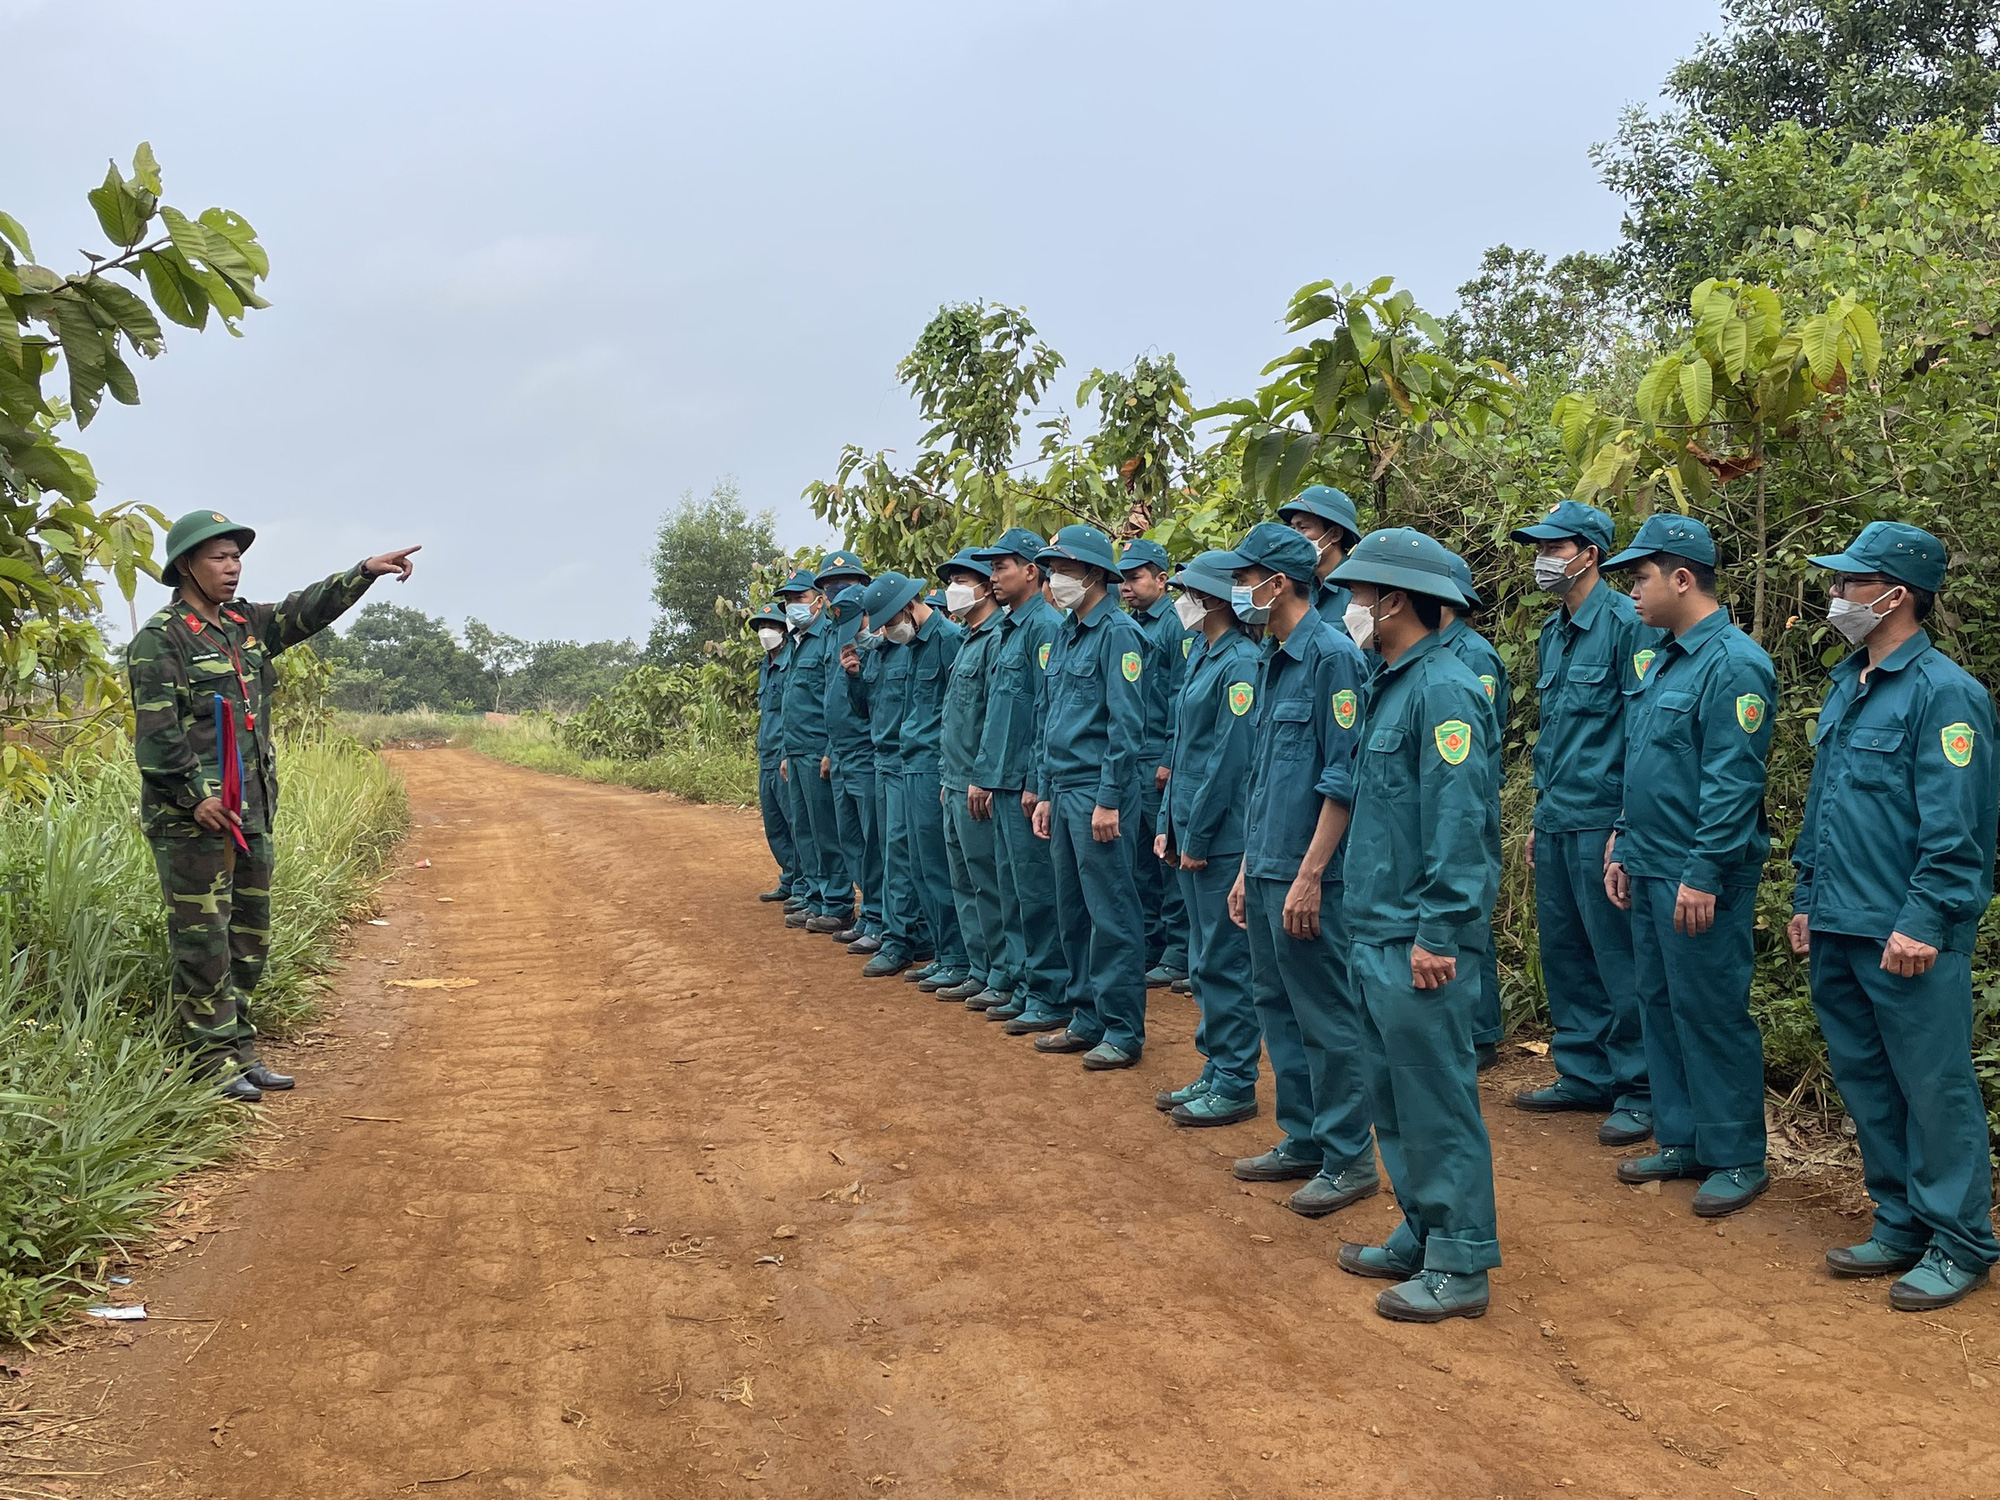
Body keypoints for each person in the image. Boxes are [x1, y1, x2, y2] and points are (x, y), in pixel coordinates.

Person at [129, 509, 419, 1101]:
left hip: (251, 811)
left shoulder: (244, 625)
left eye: (236, 556)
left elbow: (305, 610)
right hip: (193, 823)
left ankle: (241, 1051)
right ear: (186, 565)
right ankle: (209, 1063)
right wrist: (195, 797)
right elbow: (157, 736)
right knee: (202, 940)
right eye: (219, 557)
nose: (232, 568)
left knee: (249, 935)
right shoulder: (161, 640)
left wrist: (363, 572)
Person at [1788, 522, 1999, 1311]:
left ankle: (1961, 1239)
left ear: (1895, 595)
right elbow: (1826, 806)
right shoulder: (1851, 681)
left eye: (1848, 583)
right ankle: (1901, 1218)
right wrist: (1807, 900)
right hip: (1841, 921)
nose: (1835, 596)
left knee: (1933, 1085)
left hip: (1906, 931)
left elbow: (1959, 829)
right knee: (1868, 1079)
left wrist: (1924, 919)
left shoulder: (1946, 694)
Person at [1326, 527, 1501, 1323]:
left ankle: (1460, 1262)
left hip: (1416, 937)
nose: (1352, 608)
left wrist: (1440, 931)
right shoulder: (1388, 681)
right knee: (1391, 1096)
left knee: (1435, 1098)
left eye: (1360, 596)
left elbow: (1461, 826)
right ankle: (1422, 1230)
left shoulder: (1447, 690)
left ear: (1396, 601)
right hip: (1375, 926)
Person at [1601, 515, 1776, 1218]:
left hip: (1698, 874)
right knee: (1661, 1004)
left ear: (1681, 579)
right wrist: (1622, 840)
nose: (1634, 594)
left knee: (1710, 1012)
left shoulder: (1734, 663)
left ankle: (1736, 1154)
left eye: (1641, 579)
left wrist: (1703, 872)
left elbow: (1734, 783)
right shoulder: (1663, 656)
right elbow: (1645, 762)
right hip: (1649, 862)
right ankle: (1683, 1137)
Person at [1221, 522, 1378, 1216]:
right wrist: (1246, 869)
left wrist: (1311, 874)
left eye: (1245, 575)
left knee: (1326, 1015)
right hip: (1265, 868)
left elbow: (1342, 779)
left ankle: (1350, 1158)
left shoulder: (1332, 658)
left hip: (1308, 873)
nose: (1237, 591)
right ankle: (1304, 1137)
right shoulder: (1272, 656)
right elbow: (1265, 778)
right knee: (1276, 1006)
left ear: (1277, 583)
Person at [1508, 502, 1657, 1147]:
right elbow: (1555, 735)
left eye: (1553, 546)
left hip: (1605, 818)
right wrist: (1541, 817)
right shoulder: (1553, 632)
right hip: (1560, 813)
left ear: (1588, 554)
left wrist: (1626, 824)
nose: (1542, 558)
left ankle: (1638, 1088)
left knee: (1616, 956)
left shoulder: (1628, 624)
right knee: (1565, 951)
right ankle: (1583, 1071)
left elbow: (1644, 731)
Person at [1030, 524, 1151, 1070]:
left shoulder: (1118, 634)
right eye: (1052, 569)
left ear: (1096, 574)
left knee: (1112, 913)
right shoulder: (1065, 633)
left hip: (1099, 794)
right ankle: (1086, 1015)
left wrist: (1107, 799)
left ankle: (1123, 1028)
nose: (1056, 579)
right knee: (1072, 909)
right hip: (1065, 790)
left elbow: (1126, 728)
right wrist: (1048, 793)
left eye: (1065, 569)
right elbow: (1050, 716)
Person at [1152, 551, 1263, 1126]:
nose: (1182, 601)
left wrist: (1195, 833)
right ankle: (1216, 1065)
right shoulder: (1203, 653)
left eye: (1190, 591)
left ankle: (1236, 1079)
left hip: (1219, 838)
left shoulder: (1241, 662)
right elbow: (1181, 751)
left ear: (1216, 599)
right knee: (1203, 959)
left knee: (1223, 961)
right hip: (1190, 828)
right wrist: (1167, 826)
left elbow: (1229, 761)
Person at [967, 529, 1072, 1034]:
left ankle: (1049, 992)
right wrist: (985, 775)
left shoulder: (1045, 628)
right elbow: (998, 713)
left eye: (1002, 567)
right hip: (1002, 780)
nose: (993, 577)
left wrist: (1035, 779)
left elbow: (1045, 713)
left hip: (1025, 784)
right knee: (1010, 888)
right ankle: (1024, 983)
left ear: (1032, 571)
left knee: (1035, 892)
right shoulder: (1009, 629)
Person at [878, 575, 968, 994]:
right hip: (909, 761)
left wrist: (950, 771)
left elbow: (958, 712)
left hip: (935, 765)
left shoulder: (948, 639)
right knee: (917, 864)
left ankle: (958, 955)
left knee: (938, 866)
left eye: (890, 618)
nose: (885, 629)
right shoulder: (909, 645)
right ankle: (942, 952)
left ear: (911, 605)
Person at [1439, 551, 1510, 1072]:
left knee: (1469, 918)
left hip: (1469, 800)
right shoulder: (1429, 652)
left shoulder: (1474, 658)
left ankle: (1480, 1029)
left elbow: (1477, 748)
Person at [937, 547, 1010, 1008]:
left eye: (964, 580)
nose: (954, 590)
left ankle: (1002, 970)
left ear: (986, 586)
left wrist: (980, 777)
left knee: (988, 880)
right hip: (954, 776)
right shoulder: (968, 637)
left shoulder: (999, 638)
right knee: (963, 879)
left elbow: (994, 720)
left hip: (977, 782)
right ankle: (979, 967)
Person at [1118, 537, 1191, 989]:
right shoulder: (1132, 625)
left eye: (1135, 577)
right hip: (1133, 756)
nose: (1127, 586)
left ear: (1162, 580)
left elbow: (1180, 696)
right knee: (1139, 862)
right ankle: (1151, 945)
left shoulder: (1176, 626)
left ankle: (1179, 950)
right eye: (1122, 578)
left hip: (1158, 759)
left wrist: (1169, 757)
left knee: (1167, 858)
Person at [849, 574, 931, 976]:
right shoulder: (881, 652)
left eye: (888, 619)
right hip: (883, 763)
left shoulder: (918, 647)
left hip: (907, 763)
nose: (883, 629)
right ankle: (904, 932)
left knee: (903, 854)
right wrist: (852, 677)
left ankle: (900, 939)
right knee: (888, 851)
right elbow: (865, 710)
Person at [777, 568, 843, 931]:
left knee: (825, 831)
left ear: (819, 600)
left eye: (798, 599)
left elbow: (832, 699)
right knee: (804, 829)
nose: (792, 606)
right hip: (797, 750)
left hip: (818, 749)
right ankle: (815, 897)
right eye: (787, 601)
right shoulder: (799, 641)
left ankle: (835, 901)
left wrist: (830, 749)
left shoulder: (827, 639)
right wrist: (788, 752)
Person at [823, 583, 883, 947]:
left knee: (874, 842)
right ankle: (869, 912)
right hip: (843, 754)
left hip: (866, 753)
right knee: (852, 841)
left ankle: (879, 916)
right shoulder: (847, 646)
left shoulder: (879, 648)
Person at [749, 602, 801, 904]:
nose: (766, 632)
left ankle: (805, 883)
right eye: (761, 628)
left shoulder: (792, 662)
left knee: (796, 822)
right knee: (774, 824)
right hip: (766, 755)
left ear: (784, 629)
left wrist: (786, 752)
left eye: (772, 626)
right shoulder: (764, 668)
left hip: (785, 753)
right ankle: (790, 878)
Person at [1278, 484, 1363, 630]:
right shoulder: (1301, 590)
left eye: (1303, 528)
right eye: (1293, 529)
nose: (1294, 538)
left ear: (1335, 534)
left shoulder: (1358, 592)